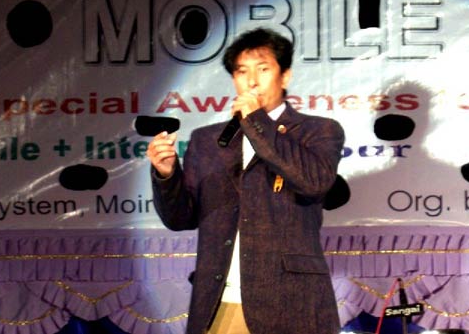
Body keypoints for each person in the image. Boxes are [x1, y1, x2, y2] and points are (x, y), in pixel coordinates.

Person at [146, 28, 345, 334]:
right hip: (218, 305)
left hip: (291, 304)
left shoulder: (318, 131)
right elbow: (180, 218)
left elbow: (313, 182)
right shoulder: (207, 140)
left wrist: (256, 122)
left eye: (263, 69)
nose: (252, 81)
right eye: (242, 72)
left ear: (285, 76)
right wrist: (166, 174)